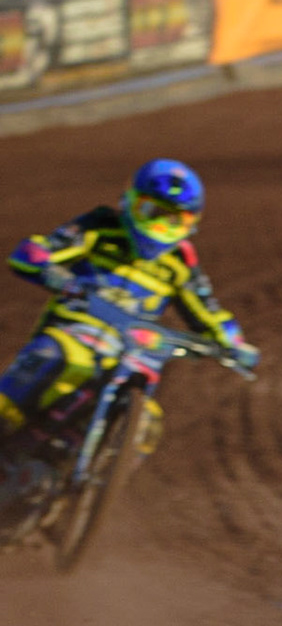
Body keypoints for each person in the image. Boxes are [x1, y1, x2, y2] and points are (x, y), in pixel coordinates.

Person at [0, 158, 258, 510]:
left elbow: (209, 311)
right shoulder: (100, 228)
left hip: (132, 353)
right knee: (55, 358)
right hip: (77, 332)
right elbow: (38, 251)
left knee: (147, 423)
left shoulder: (179, 264)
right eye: (153, 212)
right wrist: (54, 273)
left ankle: (76, 496)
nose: (160, 227)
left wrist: (234, 343)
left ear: (190, 224)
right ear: (131, 203)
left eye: (174, 220)